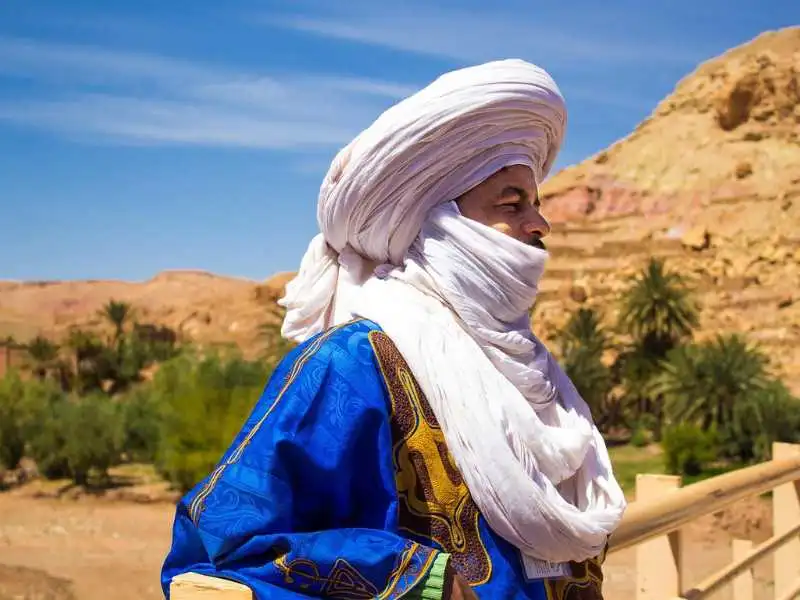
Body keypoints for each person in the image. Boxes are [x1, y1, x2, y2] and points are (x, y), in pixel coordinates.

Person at [161, 59, 627, 600]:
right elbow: (224, 547)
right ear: (436, 222)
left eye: (536, 203)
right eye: (511, 203)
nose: (539, 224)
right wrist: (425, 583)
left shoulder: (535, 377)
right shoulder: (352, 363)